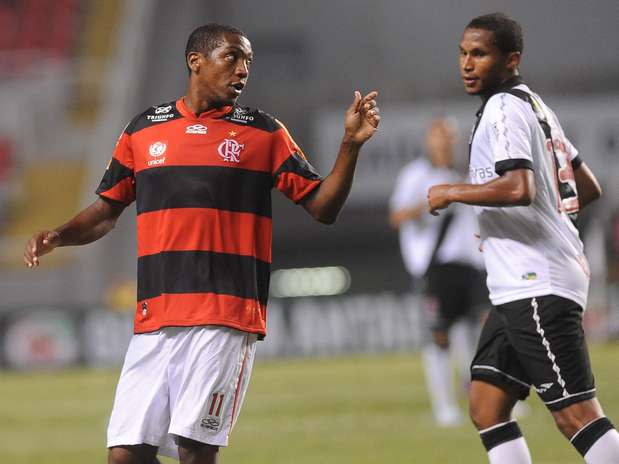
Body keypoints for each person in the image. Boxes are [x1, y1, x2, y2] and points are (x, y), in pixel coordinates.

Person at [23, 24, 380, 464]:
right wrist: (59, 235)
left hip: (223, 314)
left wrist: (350, 145)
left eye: (248, 60)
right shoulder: (142, 131)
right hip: (155, 317)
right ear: (196, 61)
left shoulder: (263, 133)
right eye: (232, 57)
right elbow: (106, 211)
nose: (243, 69)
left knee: (194, 453)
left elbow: (322, 206)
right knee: (124, 456)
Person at [428, 13, 619, 464]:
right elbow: (586, 185)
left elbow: (519, 187)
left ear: (510, 59)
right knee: (486, 405)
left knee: (576, 416)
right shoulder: (534, 104)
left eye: (480, 53)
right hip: (521, 282)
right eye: (463, 53)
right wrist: (530, 228)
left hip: (536, 283)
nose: (467, 63)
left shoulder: (503, 109)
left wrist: (453, 191)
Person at [389, 118, 487, 426]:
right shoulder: (416, 174)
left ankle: (489, 397)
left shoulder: (464, 174)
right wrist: (432, 200)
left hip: (471, 264)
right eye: (439, 135)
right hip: (436, 265)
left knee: (486, 331)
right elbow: (397, 216)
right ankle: (444, 406)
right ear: (429, 139)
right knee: (441, 333)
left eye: (449, 136)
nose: (445, 141)